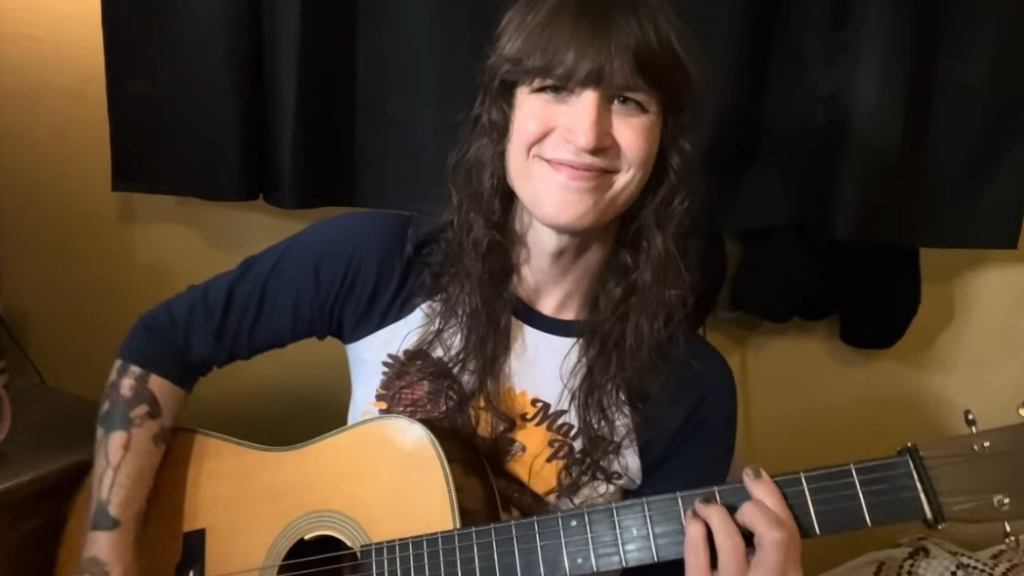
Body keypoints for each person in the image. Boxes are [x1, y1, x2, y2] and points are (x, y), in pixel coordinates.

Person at [74, 0, 804, 574]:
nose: (587, 134)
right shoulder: (382, 260)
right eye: (554, 86)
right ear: (505, 111)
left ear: (662, 142)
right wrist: (106, 555)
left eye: (628, 101)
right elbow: (161, 343)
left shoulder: (689, 389)